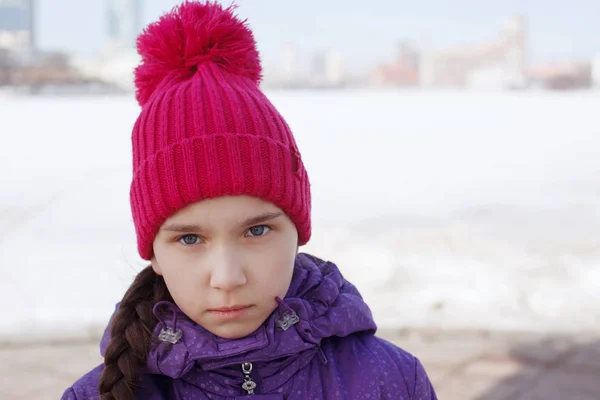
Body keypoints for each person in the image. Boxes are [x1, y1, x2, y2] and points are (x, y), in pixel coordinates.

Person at [62, 1, 438, 399]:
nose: (227, 278)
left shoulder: (391, 380)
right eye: (189, 239)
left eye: (257, 230)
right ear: (152, 251)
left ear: (298, 231)